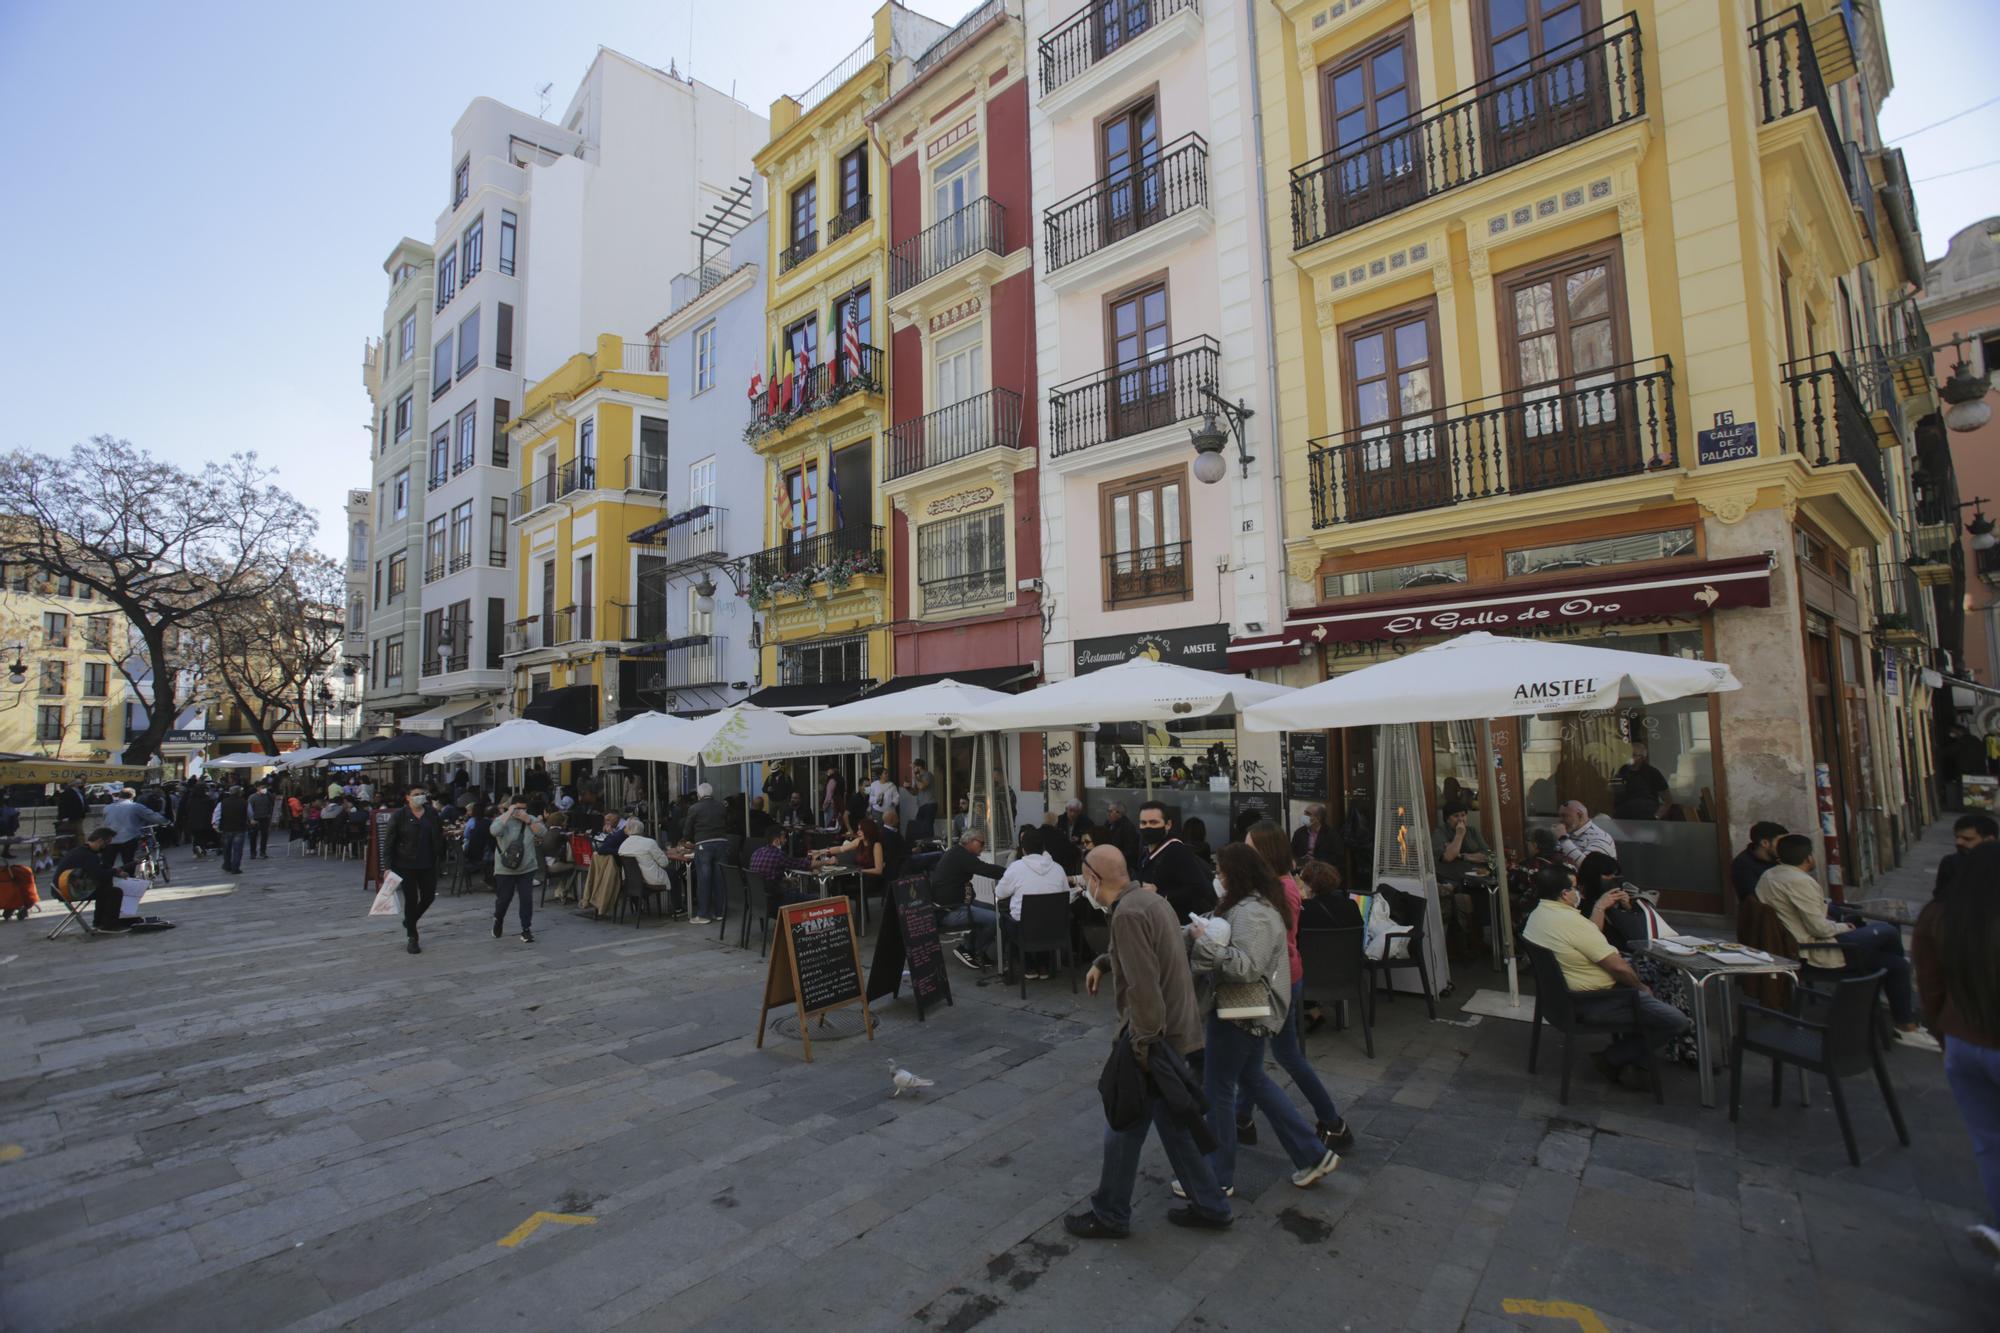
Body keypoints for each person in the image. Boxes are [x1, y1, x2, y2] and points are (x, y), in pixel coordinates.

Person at [1065, 844, 1232, 1239]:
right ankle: (1211, 1205)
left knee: (1124, 1122)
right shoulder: (1148, 902)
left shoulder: (1127, 915)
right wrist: (1104, 963)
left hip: (1156, 1038)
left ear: (1094, 877)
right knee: (1171, 1127)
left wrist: (1142, 1049)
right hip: (1176, 1032)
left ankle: (1110, 1213)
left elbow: (1143, 988)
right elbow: (1157, 946)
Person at [1181, 842, 1342, 1202]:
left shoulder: (1253, 911)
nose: (1217, 879)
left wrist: (1204, 943)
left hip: (1240, 1006)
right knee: (1252, 1079)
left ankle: (1216, 1176)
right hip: (1250, 1007)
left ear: (1236, 874)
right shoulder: (1247, 905)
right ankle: (1312, 1154)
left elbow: (1245, 966)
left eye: (1221, 872)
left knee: (1218, 1089)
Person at [1522, 863, 1692, 1090]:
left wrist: (1600, 908)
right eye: (1574, 888)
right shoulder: (1573, 922)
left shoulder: (1537, 916)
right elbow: (1618, 968)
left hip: (1558, 1002)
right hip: (1594, 1001)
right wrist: (1641, 988)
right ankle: (1615, 1057)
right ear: (1564, 894)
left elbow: (1589, 940)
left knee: (1647, 989)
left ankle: (1634, 1060)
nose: (1578, 893)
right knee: (1676, 1020)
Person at [1913, 841, 2000, 1261]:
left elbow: (1929, 987)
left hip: (1961, 1042)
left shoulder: (1940, 916)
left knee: (1989, 1144)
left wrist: (1944, 1032)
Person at [1246, 823, 1353, 1151]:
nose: (1244, 852)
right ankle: (1241, 1119)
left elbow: (1264, 939)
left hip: (1271, 981)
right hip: (1284, 977)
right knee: (1269, 1055)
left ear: (1265, 852)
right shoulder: (1284, 885)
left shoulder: (1275, 890)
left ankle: (1328, 1127)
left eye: (1249, 848)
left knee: (1262, 1059)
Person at [1757, 834, 1920, 1036]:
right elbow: (1820, 929)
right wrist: (1845, 927)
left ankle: (1899, 1010)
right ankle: (1901, 1016)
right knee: (1888, 932)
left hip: (1800, 943)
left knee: (1895, 960)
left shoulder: (1768, 876)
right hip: (1816, 949)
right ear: (1809, 858)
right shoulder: (1799, 881)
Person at [992, 826, 1071, 978]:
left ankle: (1028, 965)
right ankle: (1043, 965)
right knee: (1043, 918)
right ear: (1043, 848)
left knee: (1005, 920)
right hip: (1055, 930)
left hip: (1024, 931)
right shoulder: (1058, 868)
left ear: (1023, 849)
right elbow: (1066, 894)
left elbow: (1000, 893)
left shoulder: (1016, 868)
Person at [1295, 859, 1361, 1033]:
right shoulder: (1351, 906)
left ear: (1310, 885)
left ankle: (1304, 1013)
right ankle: (1314, 1012)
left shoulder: (1305, 911)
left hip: (1311, 979)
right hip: (1348, 976)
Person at [929, 828, 1004, 969]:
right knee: (996, 918)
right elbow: (985, 869)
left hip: (956, 904)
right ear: (970, 841)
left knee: (992, 910)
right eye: (981, 843)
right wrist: (1011, 873)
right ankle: (969, 949)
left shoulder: (958, 852)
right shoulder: (961, 855)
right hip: (949, 910)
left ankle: (974, 948)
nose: (983, 846)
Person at [383, 788, 445, 954]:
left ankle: (409, 921)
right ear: (408, 798)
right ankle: (412, 936)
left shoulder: (431, 813)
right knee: (411, 899)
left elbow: (438, 833)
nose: (420, 797)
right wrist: (387, 866)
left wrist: (440, 852)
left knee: (428, 897)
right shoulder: (399, 815)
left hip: (428, 863)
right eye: (416, 794)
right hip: (405, 864)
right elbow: (389, 841)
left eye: (422, 794)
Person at [1134, 801, 1214, 924]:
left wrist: (1162, 895)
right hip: (1154, 920)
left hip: (1176, 923)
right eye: (1143, 823)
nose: (1147, 827)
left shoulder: (1176, 850)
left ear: (1168, 824)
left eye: (1154, 822)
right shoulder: (1145, 850)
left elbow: (1199, 888)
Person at [57, 828, 144, 930]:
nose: (106, 847)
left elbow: (99, 870)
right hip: (68, 891)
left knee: (104, 886)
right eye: (106, 843)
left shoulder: (82, 851)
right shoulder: (88, 855)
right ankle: (108, 924)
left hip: (62, 889)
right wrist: (114, 872)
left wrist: (115, 872)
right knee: (115, 892)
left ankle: (101, 922)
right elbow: (98, 874)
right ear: (100, 841)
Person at [489, 797, 544, 942]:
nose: (521, 811)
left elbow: (542, 833)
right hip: (505, 869)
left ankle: (526, 929)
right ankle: (498, 918)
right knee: (504, 899)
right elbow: (494, 831)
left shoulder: (529, 818)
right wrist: (508, 814)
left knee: (526, 899)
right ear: (511, 807)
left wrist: (529, 820)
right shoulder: (502, 820)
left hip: (527, 867)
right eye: (518, 808)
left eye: (524, 808)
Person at [678, 781, 732, 925]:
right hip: (722, 843)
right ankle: (720, 912)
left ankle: (703, 915)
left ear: (699, 794)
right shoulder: (721, 806)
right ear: (711, 793)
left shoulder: (694, 808)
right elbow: (728, 823)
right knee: (720, 879)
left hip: (704, 846)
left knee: (704, 879)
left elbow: (687, 830)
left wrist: (688, 840)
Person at [102, 788, 167, 877]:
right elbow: (152, 816)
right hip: (128, 838)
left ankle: (105, 881)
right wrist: (166, 822)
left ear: (119, 795)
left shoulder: (107, 808)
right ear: (133, 796)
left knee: (107, 864)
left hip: (110, 839)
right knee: (128, 862)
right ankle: (130, 881)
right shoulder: (135, 806)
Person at [1936, 814, 1999, 901]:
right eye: (1957, 837)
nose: (1959, 842)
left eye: (1967, 839)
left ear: (1989, 840)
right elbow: (1940, 898)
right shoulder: (1950, 863)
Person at [1610, 739, 1671, 820]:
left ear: (1642, 758)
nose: (1629, 757)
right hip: (1624, 820)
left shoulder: (1652, 773)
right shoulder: (1620, 771)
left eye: (1634, 755)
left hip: (1647, 820)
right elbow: (1613, 795)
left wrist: (1656, 817)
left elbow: (1668, 800)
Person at [1731, 821, 1787, 901]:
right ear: (1765, 843)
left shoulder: (1778, 858)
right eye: (1780, 842)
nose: (1784, 846)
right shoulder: (1743, 865)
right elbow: (1756, 899)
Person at [1554, 800, 1615, 867]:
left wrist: (1563, 839)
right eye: (1559, 816)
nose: (1560, 820)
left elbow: (1588, 866)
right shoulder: (1567, 833)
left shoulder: (1600, 837)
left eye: (1564, 816)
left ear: (1580, 815)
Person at [215, 784, 251, 875]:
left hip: (226, 828)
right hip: (239, 828)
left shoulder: (223, 803)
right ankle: (235, 867)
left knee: (227, 849)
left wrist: (217, 825)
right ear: (239, 793)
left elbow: (217, 815)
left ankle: (227, 865)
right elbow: (250, 814)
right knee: (237, 849)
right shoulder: (244, 802)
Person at [1097, 801, 1140, 869]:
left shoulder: (1127, 827)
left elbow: (1130, 850)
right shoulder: (1108, 823)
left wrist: (1113, 856)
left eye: (1110, 811)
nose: (1108, 814)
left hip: (1122, 863)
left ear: (1119, 813)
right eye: (1108, 811)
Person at [245, 784, 275, 859]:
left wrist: (269, 815)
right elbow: (249, 809)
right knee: (253, 836)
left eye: (265, 788)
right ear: (258, 788)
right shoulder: (252, 797)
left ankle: (263, 852)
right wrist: (251, 818)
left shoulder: (267, 796)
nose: (264, 789)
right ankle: (253, 853)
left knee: (264, 835)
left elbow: (271, 805)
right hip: (255, 818)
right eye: (263, 788)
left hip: (265, 817)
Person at [909, 759, 935, 834]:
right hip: (922, 805)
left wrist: (915, 776)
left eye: (914, 767)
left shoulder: (928, 774)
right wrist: (908, 788)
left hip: (930, 804)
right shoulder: (917, 777)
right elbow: (915, 792)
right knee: (919, 826)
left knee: (928, 827)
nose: (913, 769)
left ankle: (930, 844)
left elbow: (921, 786)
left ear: (919, 767)